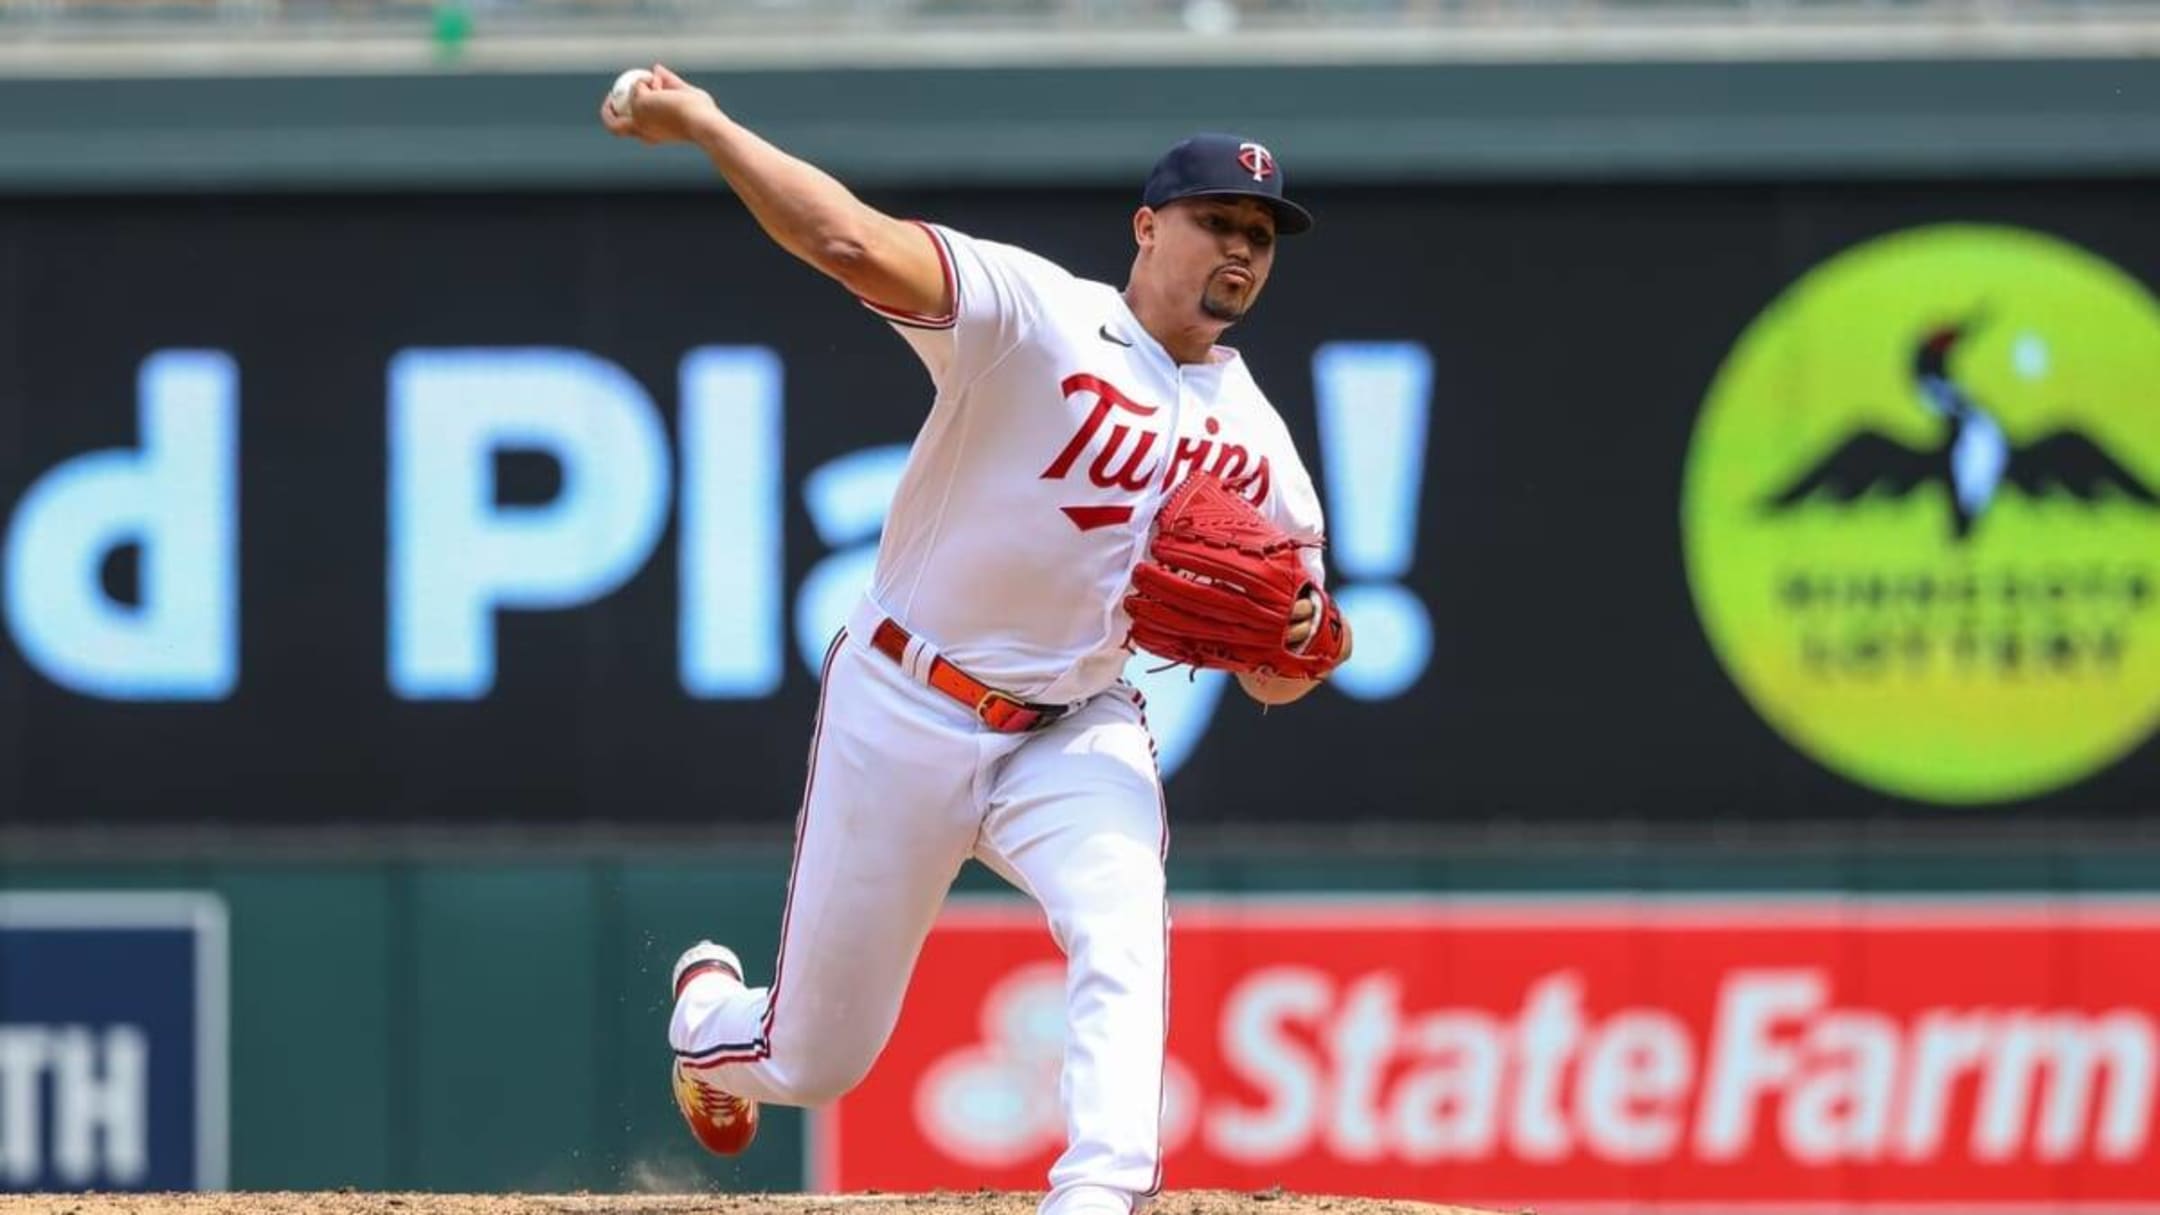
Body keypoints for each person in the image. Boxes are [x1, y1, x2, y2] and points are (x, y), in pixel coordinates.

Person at [601, 65, 1351, 1215]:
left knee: (1121, 920)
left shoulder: (1262, 444)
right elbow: (848, 243)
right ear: (1148, 227)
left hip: (1077, 727)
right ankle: (708, 1019)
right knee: (815, 1061)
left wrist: (1297, 640)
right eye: (1217, 220)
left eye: (1261, 232)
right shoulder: (1035, 314)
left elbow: (1277, 670)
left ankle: (1099, 1192)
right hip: (907, 701)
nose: (1241, 248)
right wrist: (706, 125)